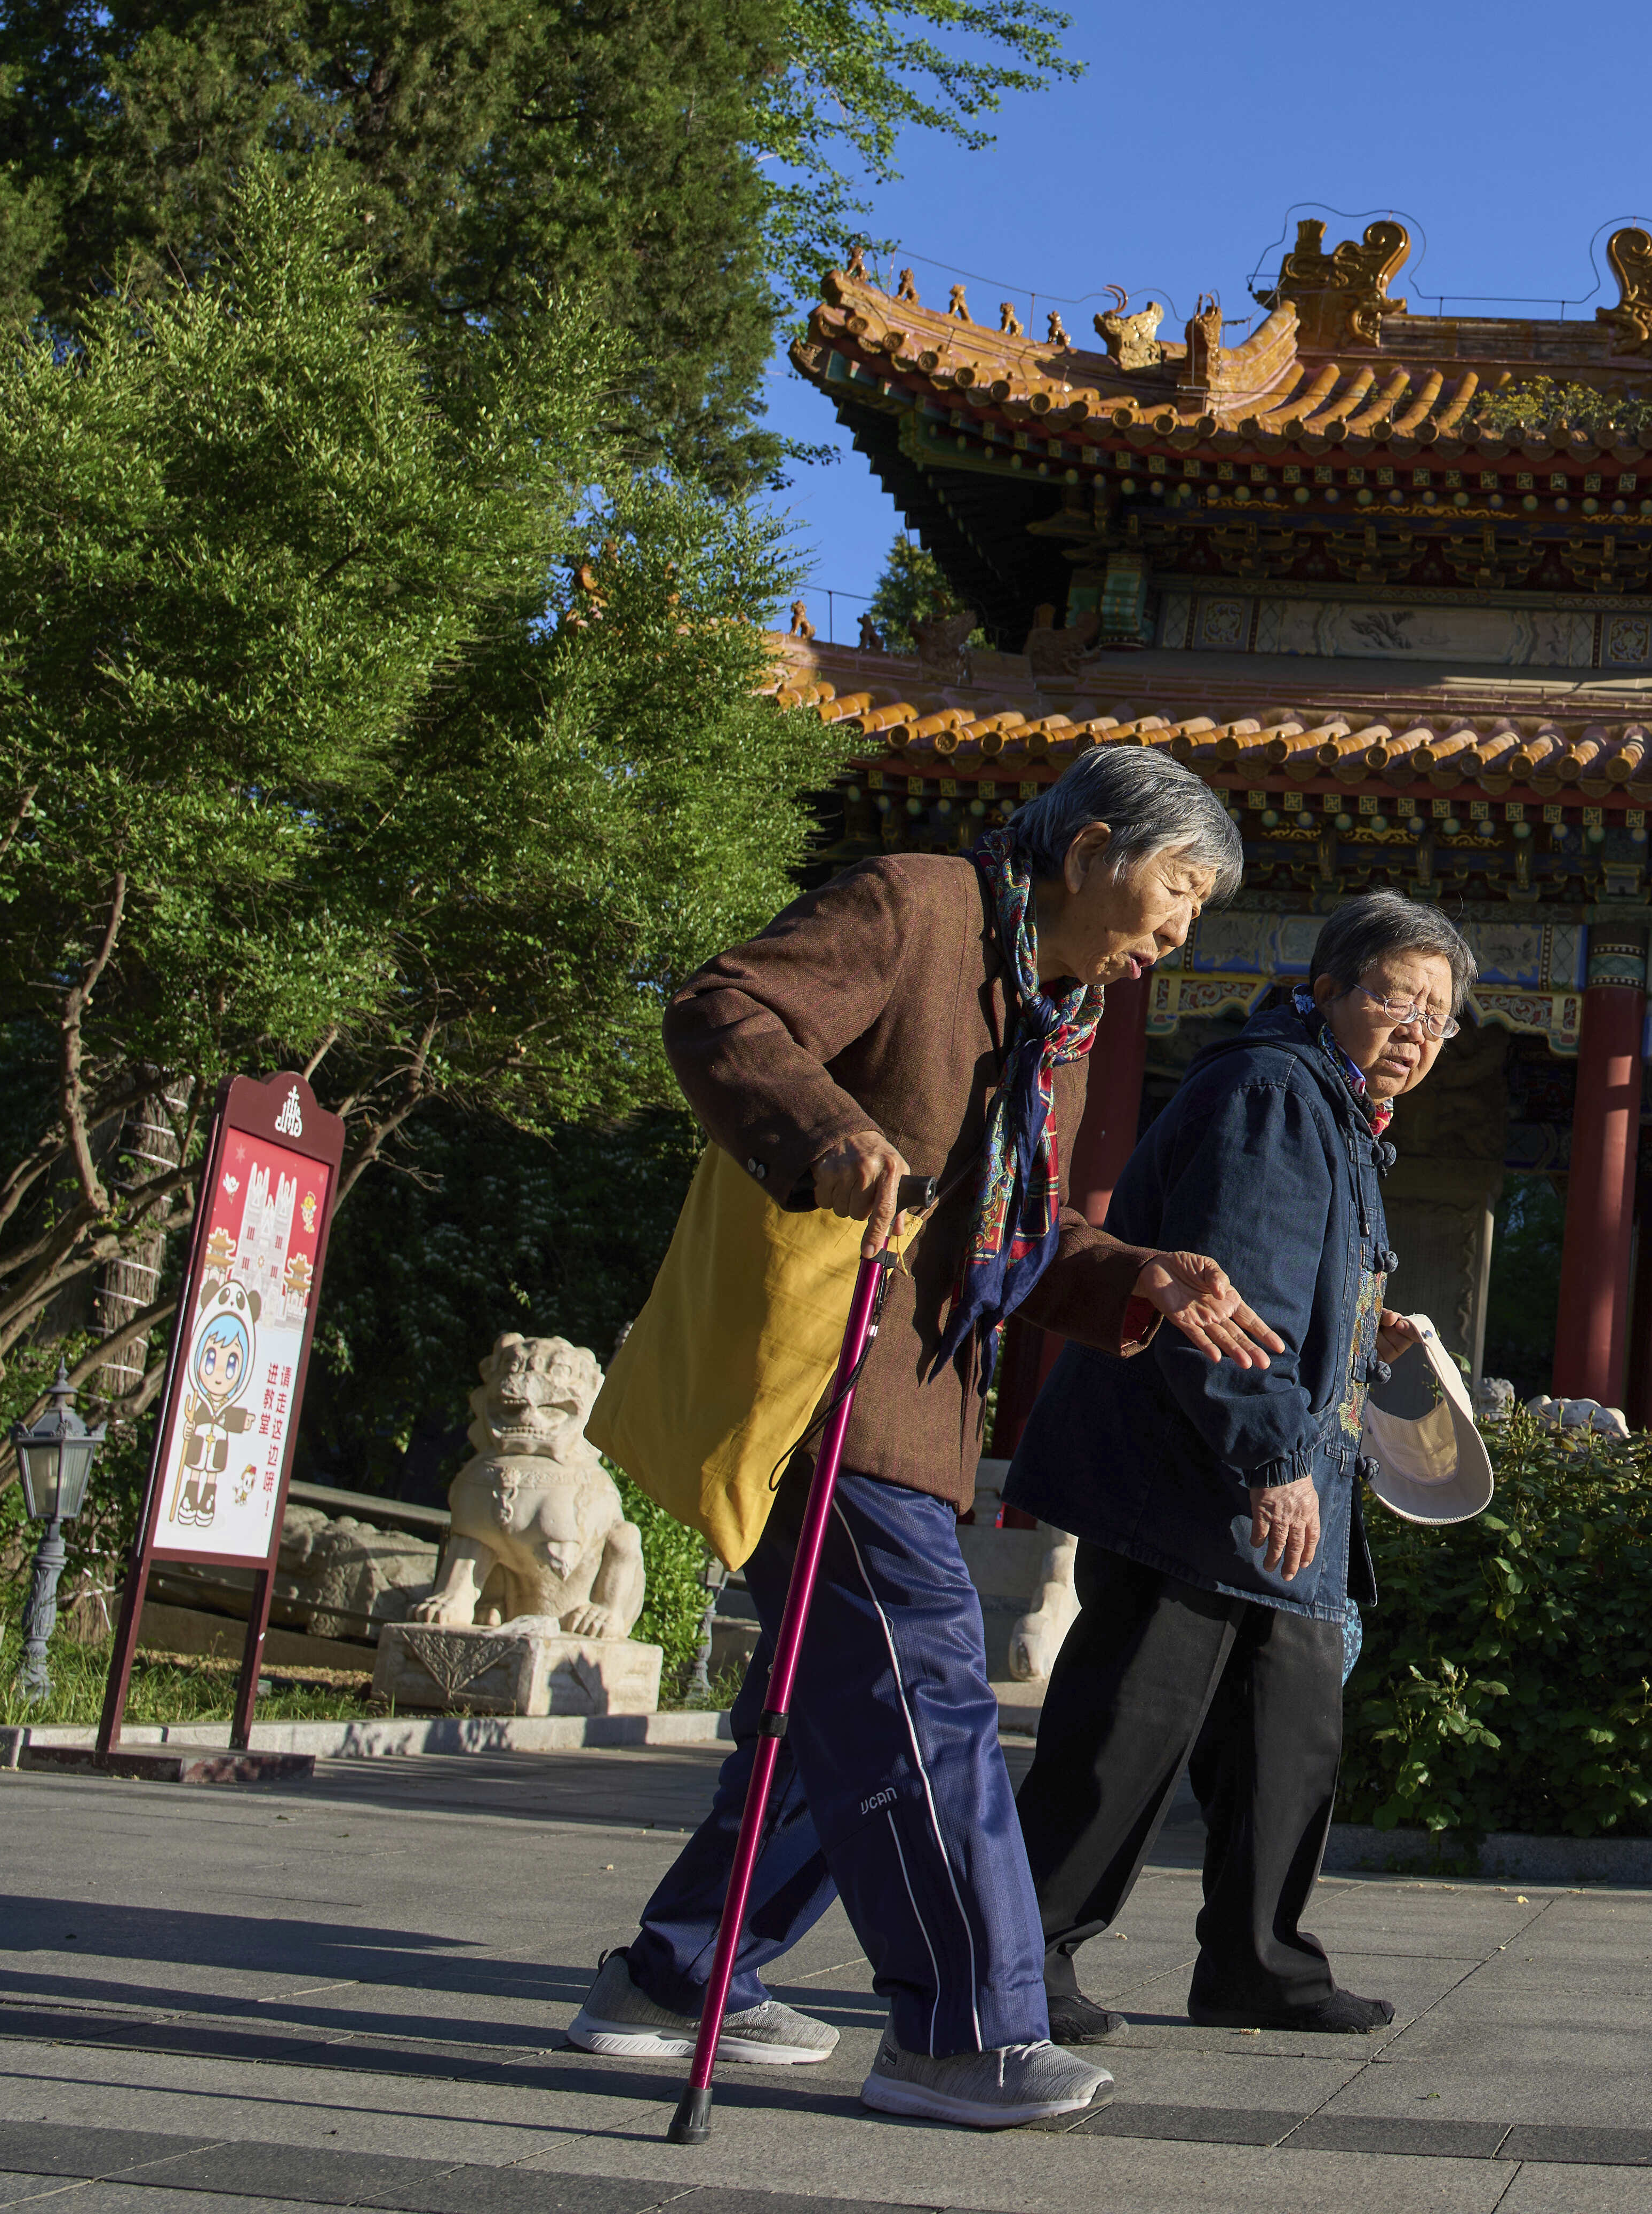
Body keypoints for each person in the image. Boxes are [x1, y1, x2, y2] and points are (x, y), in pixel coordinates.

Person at [562, 748, 1285, 2132]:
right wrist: (826, 1130)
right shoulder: (917, 906)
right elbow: (724, 1008)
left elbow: (1018, 1234)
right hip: (826, 1381)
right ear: (1091, 851)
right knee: (926, 1691)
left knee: (845, 1707)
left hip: (919, 1400)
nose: (1183, 929)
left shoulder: (1053, 1015)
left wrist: (1139, 1272)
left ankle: (675, 1974)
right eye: (1181, 888)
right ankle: (965, 2031)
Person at [1013, 889, 1473, 2041]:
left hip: (1282, 1483)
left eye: (1438, 1016)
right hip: (1197, 1483)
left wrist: (1362, 1332)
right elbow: (1232, 1293)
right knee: (1126, 1734)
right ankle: (1018, 1957)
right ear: (1327, 992)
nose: (1416, 1031)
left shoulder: (1341, 1111)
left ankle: (1258, 1964)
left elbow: (1296, 1282)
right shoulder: (1274, 1089)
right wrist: (1270, 1455)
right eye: (1396, 1000)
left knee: (1288, 1732)